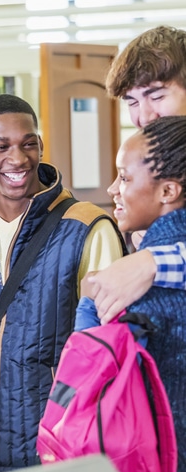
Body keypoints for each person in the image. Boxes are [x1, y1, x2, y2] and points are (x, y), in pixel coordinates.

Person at [0, 94, 125, 472]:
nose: (18, 158)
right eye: (1, 146)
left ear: (40, 145)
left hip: (62, 439)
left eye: (28, 143)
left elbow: (113, 341)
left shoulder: (87, 227)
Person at [76, 116, 186, 472]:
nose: (112, 188)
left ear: (168, 191)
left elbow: (88, 386)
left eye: (124, 177)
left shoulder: (138, 288)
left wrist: (89, 302)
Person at [88, 25, 186, 324]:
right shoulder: (152, 159)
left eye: (156, 95)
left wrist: (151, 263)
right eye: (131, 101)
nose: (143, 116)